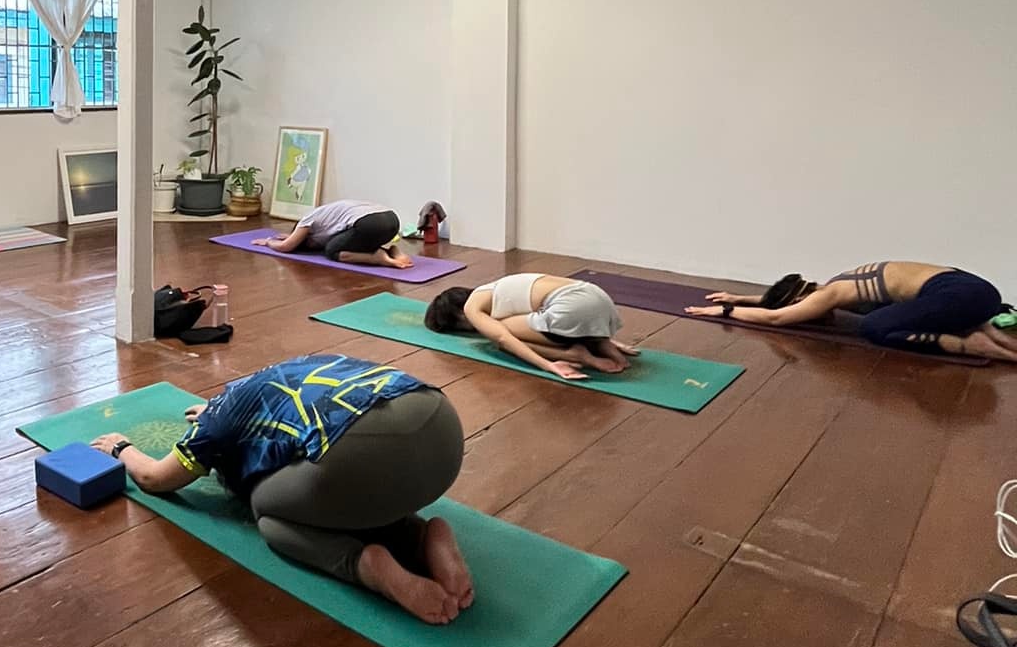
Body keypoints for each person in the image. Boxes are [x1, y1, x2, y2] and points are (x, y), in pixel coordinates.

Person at [91, 353, 471, 624]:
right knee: (348, 477)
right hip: (442, 427)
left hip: (368, 455)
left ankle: (366, 565)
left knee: (269, 510)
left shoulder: (218, 422)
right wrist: (214, 416)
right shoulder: (277, 375)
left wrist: (121, 448)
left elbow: (155, 479)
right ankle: (421, 536)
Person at [685, 262, 1017, 361]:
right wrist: (742, 297)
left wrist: (726, 311)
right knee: (903, 312)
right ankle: (990, 334)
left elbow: (777, 317)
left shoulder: (829, 293)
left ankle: (970, 344)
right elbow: (784, 305)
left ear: (801, 298)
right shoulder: (837, 283)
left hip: (959, 297)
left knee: (874, 327)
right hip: (978, 291)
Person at [424, 272, 639, 379]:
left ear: (459, 315)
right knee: (539, 317)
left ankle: (577, 354)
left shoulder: (472, 307)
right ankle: (600, 343)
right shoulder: (497, 288)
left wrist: (549, 365)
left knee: (499, 333)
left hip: (572, 312)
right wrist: (606, 336)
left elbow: (503, 339)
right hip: (600, 299)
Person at [253, 198, 413, 270]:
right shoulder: (326, 216)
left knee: (331, 250)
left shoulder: (307, 220)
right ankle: (392, 251)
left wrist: (268, 242)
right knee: (352, 241)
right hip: (392, 220)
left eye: (310, 243)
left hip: (370, 223)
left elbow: (285, 247)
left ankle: (378, 258)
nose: (314, 245)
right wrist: (291, 236)